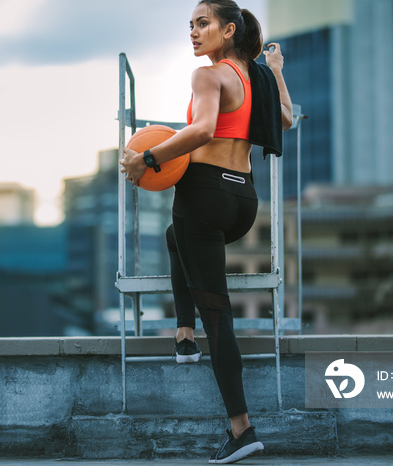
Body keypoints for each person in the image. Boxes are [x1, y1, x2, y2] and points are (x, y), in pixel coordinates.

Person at [120, 0, 293, 463]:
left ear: (228, 29)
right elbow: (286, 120)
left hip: (203, 197)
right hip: (243, 201)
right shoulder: (255, 75)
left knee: (218, 314)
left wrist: (147, 158)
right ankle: (183, 336)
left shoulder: (208, 76)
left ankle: (242, 429)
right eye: (190, 25)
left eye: (203, 23)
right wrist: (275, 69)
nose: (194, 32)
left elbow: (201, 130)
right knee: (176, 241)